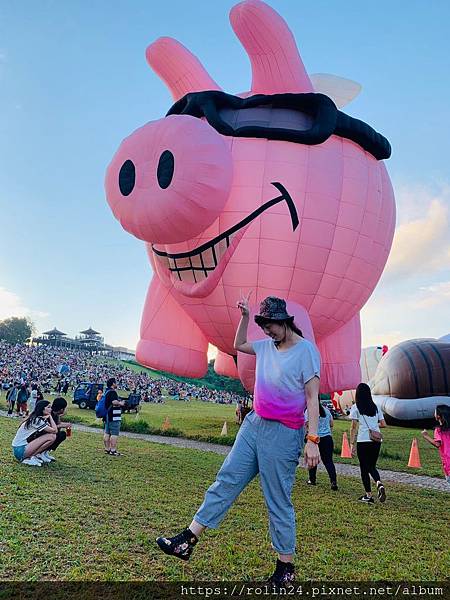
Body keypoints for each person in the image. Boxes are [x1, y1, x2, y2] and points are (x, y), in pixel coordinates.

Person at [156, 295, 321, 585]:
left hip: (284, 432)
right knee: (226, 479)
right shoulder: (266, 347)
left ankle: (286, 569)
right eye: (264, 327)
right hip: (253, 424)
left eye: (270, 326)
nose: (267, 333)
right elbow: (238, 345)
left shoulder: (306, 351)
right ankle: (187, 541)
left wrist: (312, 439)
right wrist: (245, 317)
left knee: (277, 499)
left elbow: (312, 398)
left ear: (283, 322)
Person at [349, 383, 387, 503]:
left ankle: (369, 494)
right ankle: (378, 484)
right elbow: (384, 424)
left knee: (364, 467)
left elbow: (353, 427)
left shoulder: (356, 407)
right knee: (371, 466)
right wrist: (374, 425)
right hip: (376, 441)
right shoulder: (375, 407)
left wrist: (351, 444)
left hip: (363, 440)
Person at [11, 400, 58, 466]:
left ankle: (32, 457)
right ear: (42, 408)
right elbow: (55, 431)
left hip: (20, 449)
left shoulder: (37, 418)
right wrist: (50, 417)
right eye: (48, 407)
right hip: (20, 450)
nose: (51, 409)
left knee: (51, 436)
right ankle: (29, 458)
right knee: (52, 436)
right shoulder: (37, 420)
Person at [305, 399, 338, 490]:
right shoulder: (326, 410)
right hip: (327, 438)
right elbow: (331, 423)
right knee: (328, 461)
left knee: (313, 459)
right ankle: (333, 481)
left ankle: (312, 480)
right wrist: (328, 432)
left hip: (315, 438)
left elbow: (307, 424)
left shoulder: (309, 410)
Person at [421, 405, 450, 488]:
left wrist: (426, 436)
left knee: (448, 479)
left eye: (435, 411)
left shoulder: (438, 430)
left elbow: (437, 444)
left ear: (438, 416)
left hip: (448, 462)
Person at [36, 397, 72, 462]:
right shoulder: (48, 413)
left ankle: (45, 452)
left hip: (49, 434)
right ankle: (40, 452)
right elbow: (47, 428)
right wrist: (61, 425)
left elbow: (58, 425)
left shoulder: (56, 414)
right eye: (64, 408)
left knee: (61, 434)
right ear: (61, 409)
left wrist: (65, 424)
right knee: (55, 435)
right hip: (40, 435)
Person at [103, 377, 125, 456]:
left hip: (107, 415)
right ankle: (113, 450)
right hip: (114, 415)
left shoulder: (107, 391)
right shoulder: (113, 392)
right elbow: (114, 402)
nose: (116, 384)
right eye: (115, 382)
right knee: (114, 433)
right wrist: (121, 403)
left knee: (107, 432)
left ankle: (107, 449)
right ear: (113, 384)